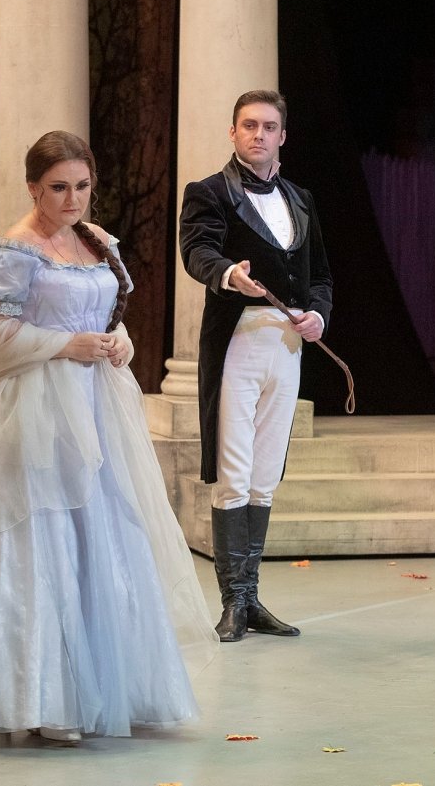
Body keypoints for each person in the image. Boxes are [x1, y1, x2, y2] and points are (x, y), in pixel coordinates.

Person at [0, 130, 216, 748]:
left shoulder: (95, 240)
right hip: (32, 409)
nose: (72, 199)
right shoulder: (13, 252)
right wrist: (64, 345)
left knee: (99, 533)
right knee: (42, 538)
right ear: (34, 188)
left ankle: (102, 689)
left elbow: (106, 313)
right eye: (58, 187)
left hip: (94, 405)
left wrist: (118, 342)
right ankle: (41, 697)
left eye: (81, 186)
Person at [179, 90, 333, 643]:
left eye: (269, 127)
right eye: (249, 125)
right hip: (238, 341)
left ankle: (250, 597)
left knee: (265, 473)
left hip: (286, 347)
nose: (258, 135)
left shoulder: (300, 199)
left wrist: (318, 315)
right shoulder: (210, 192)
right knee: (234, 470)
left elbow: (320, 276)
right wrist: (228, 273)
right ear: (233, 132)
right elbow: (197, 250)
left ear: (282, 136)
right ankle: (232, 603)